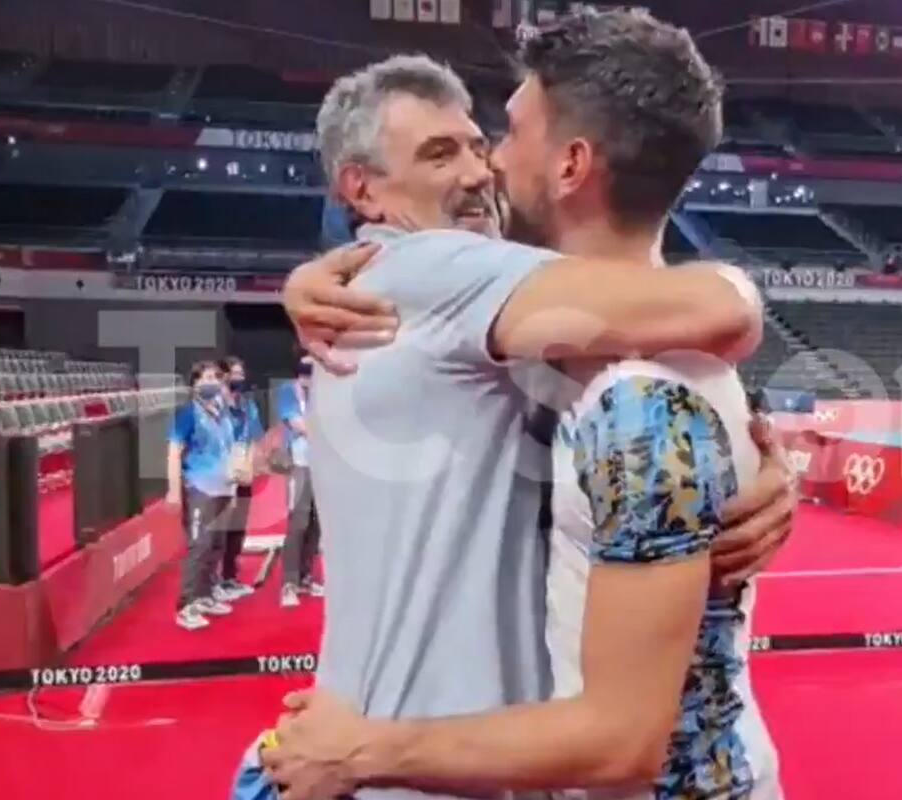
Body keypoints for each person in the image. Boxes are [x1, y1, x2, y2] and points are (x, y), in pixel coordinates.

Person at [231, 30, 789, 800]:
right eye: (439, 155)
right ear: (363, 191)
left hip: (423, 752)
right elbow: (714, 306)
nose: (480, 166)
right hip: (406, 763)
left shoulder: (508, 325)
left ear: (572, 163)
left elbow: (665, 356)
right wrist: (746, 302)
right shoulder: (433, 270)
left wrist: (751, 460)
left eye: (487, 139)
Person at [167, 360, 238, 631]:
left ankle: (206, 595)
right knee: (200, 545)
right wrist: (174, 491)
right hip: (199, 488)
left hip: (223, 488)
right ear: (194, 384)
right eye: (205, 378)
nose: (211, 382)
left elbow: (227, 451)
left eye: (215, 377)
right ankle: (186, 606)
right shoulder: (187, 414)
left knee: (216, 545)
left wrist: (232, 488)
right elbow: (174, 452)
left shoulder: (222, 413)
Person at [215, 356, 264, 602]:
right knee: (220, 528)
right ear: (223, 376)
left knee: (237, 527)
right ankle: (213, 583)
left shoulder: (248, 404)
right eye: (234, 374)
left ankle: (230, 578)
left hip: (243, 468)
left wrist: (250, 466)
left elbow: (254, 436)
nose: (239, 379)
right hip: (221, 473)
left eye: (241, 374)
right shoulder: (215, 404)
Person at [278, 357, 323, 608]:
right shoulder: (288, 391)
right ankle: (289, 583)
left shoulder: (323, 392)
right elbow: (298, 424)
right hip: (301, 464)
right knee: (298, 523)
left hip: (324, 467)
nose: (309, 375)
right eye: (305, 370)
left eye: (313, 370)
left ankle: (306, 577)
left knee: (317, 524)